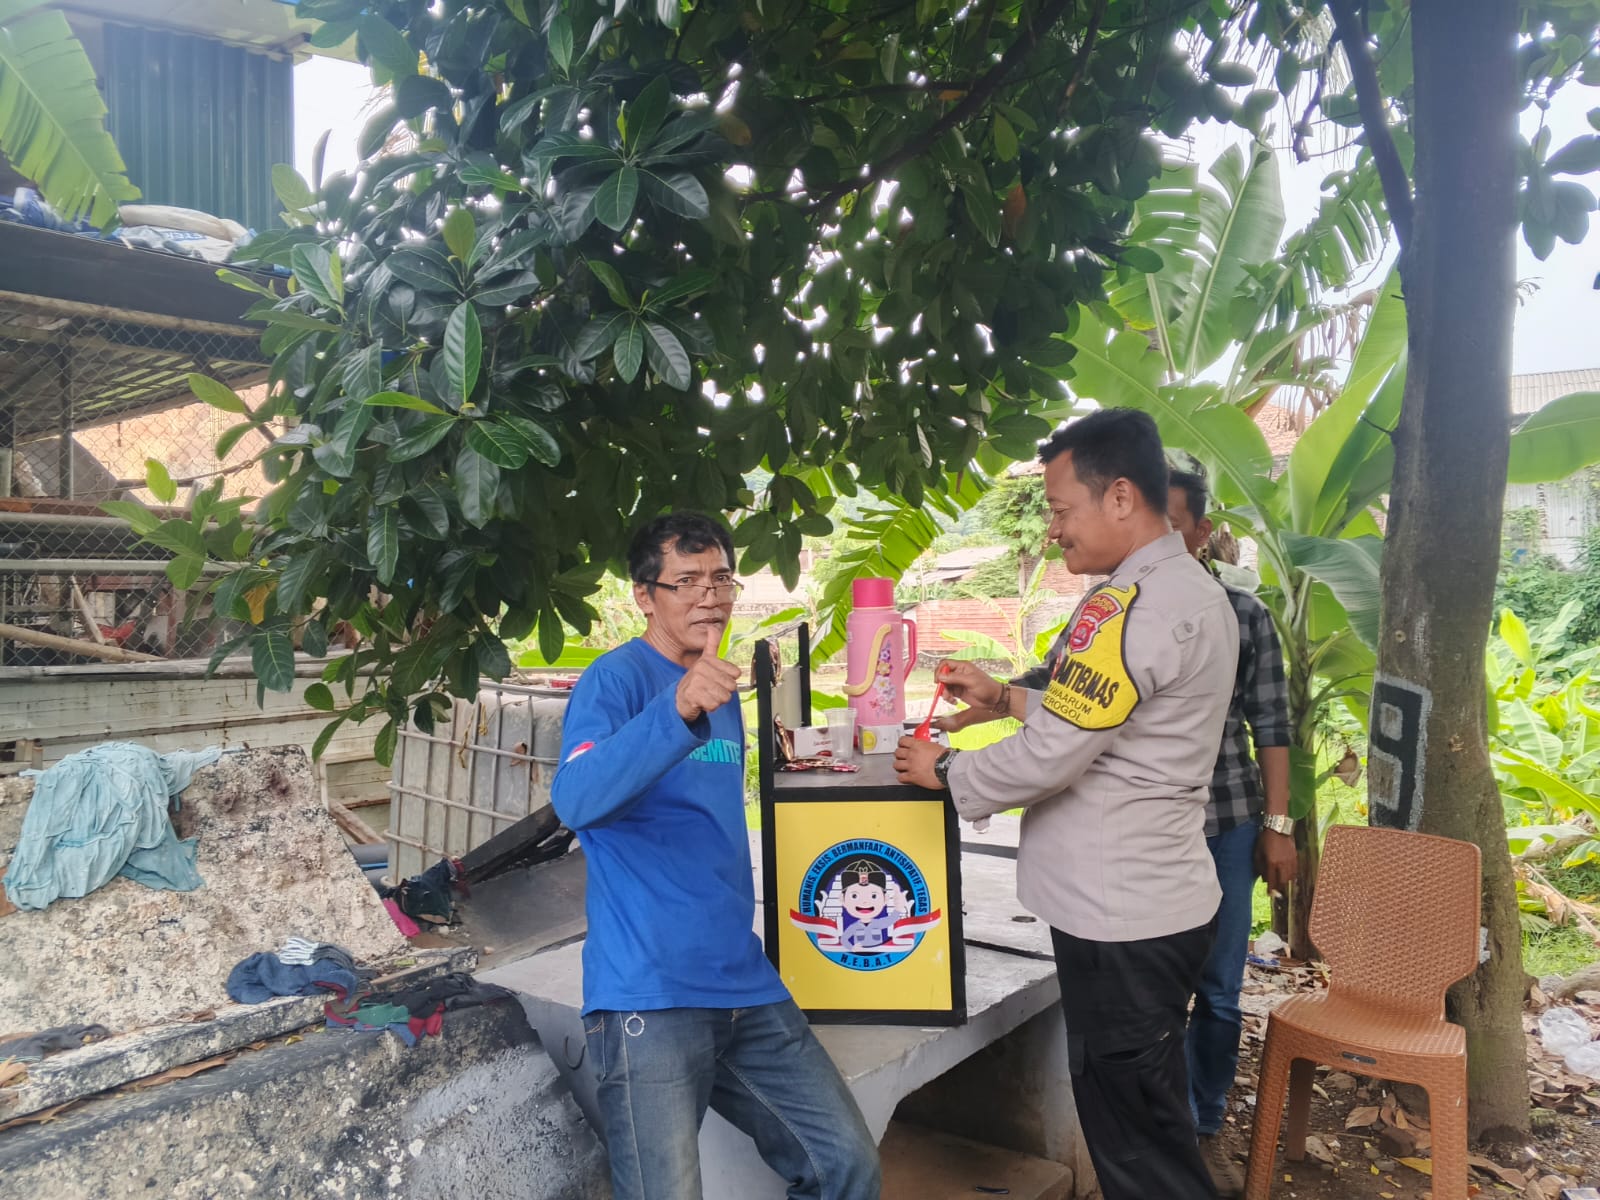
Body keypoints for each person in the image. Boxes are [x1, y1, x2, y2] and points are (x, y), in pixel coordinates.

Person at [893, 408, 1237, 1200]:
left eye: (1059, 510)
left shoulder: (1138, 605)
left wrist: (947, 771)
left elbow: (1058, 751)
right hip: (1138, 907)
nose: (1052, 531)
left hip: (1126, 920)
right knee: (1139, 1128)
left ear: (1120, 497)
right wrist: (1004, 696)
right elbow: (1100, 717)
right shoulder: (1170, 592)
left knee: (1140, 1151)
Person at [550, 511, 880, 1200]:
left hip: (743, 984)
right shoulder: (614, 681)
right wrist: (676, 708)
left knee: (845, 1164)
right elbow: (575, 799)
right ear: (645, 596)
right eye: (687, 581)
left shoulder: (720, 690)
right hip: (649, 993)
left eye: (721, 579)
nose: (710, 596)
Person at [1166, 467, 1296, 1198]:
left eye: (1175, 523)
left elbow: (1272, 725)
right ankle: (1160, 1118)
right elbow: (1060, 682)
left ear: (1203, 531)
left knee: (1217, 987)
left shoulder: (1244, 615)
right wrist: (994, 697)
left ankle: (1204, 1117)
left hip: (1226, 825)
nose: (1162, 538)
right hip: (1152, 832)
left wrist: (1277, 827)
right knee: (1156, 987)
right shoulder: (1117, 610)